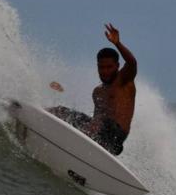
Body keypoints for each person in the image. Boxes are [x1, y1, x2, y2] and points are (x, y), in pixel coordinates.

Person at [48, 23, 137, 155]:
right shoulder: (98, 92)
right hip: (98, 133)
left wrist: (118, 44)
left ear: (117, 66)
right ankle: (33, 115)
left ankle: (78, 146)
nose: (105, 71)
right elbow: (96, 119)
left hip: (116, 137)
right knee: (61, 111)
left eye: (109, 67)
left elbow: (132, 63)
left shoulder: (124, 81)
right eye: (101, 67)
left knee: (100, 121)